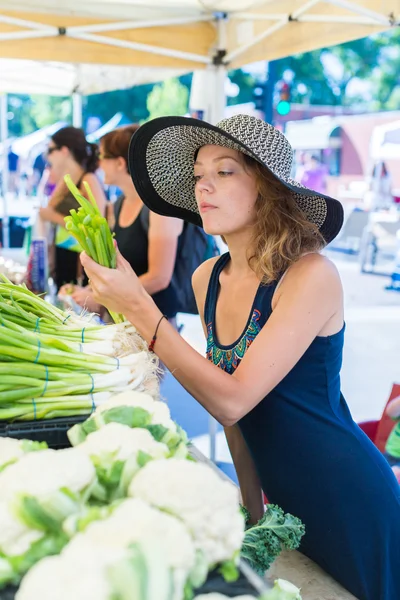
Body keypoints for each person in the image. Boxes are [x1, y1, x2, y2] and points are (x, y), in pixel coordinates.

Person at [81, 115, 400, 600]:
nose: (203, 184)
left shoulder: (310, 275)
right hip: (283, 504)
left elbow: (234, 399)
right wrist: (250, 515)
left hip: (351, 497)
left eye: (225, 171)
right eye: (197, 174)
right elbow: (230, 415)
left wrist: (138, 309)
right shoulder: (207, 277)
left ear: (267, 190)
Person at [64, 124, 183, 325]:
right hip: (122, 319)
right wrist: (87, 292)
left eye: (102, 156)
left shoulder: (159, 208)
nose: (99, 164)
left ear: (120, 163)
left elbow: (158, 277)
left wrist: (104, 297)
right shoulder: (119, 204)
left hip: (155, 323)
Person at [39, 126, 106, 290]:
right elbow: (49, 208)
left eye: (50, 150)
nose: (48, 156)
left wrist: (51, 216)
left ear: (64, 151)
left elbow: (98, 226)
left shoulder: (88, 180)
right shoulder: (66, 180)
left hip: (80, 262)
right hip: (63, 255)